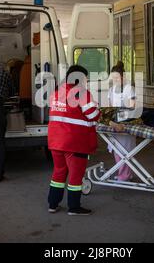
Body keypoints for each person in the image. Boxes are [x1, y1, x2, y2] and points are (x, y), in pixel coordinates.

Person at [47, 65, 100, 215]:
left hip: (56, 141)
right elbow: (92, 115)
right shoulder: (81, 93)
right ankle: (74, 207)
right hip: (74, 142)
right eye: (86, 79)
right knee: (76, 176)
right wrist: (98, 109)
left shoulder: (57, 92)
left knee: (58, 172)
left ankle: (53, 204)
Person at [108, 61, 136, 181]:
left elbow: (132, 107)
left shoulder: (129, 89)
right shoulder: (111, 90)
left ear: (123, 77)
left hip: (126, 123)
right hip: (115, 123)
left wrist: (120, 118)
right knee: (117, 151)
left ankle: (125, 175)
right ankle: (123, 174)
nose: (115, 80)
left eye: (117, 77)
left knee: (125, 151)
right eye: (113, 78)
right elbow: (109, 108)